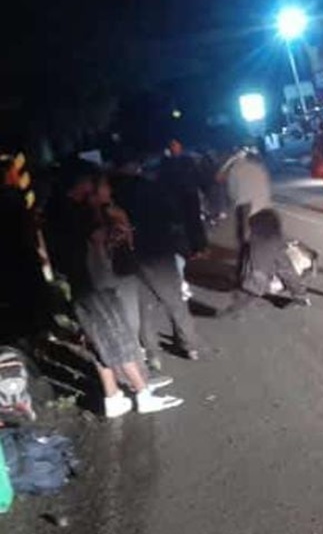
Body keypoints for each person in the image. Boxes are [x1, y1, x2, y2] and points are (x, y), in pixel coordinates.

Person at [43, 166, 182, 418]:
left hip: (81, 285)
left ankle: (113, 397)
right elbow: (96, 239)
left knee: (100, 343)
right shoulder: (72, 212)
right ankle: (143, 394)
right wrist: (107, 221)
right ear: (83, 183)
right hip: (93, 285)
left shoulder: (56, 209)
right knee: (117, 337)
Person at [110, 151, 202, 362]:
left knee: (145, 303)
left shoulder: (111, 191)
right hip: (156, 248)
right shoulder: (147, 187)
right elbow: (171, 214)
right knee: (174, 299)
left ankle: (152, 352)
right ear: (134, 165)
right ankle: (190, 344)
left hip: (129, 253)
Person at [220, 208, 310, 317]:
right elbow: (288, 272)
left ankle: (230, 310)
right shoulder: (275, 244)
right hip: (257, 280)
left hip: (250, 278)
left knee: (246, 292)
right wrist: (300, 294)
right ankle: (232, 309)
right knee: (282, 271)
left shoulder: (252, 240)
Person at [218, 145, 272, 250]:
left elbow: (232, 192)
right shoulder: (260, 167)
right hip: (265, 204)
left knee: (244, 236)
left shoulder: (235, 169)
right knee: (263, 233)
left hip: (246, 205)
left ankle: (247, 255)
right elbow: (266, 185)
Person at [160, 139, 207, 256]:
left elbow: (196, 174)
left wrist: (200, 187)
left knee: (195, 220)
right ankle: (194, 248)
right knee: (187, 222)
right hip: (179, 196)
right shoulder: (168, 163)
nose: (174, 148)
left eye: (175, 145)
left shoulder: (187, 159)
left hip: (190, 193)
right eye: (172, 145)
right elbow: (166, 181)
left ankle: (202, 246)